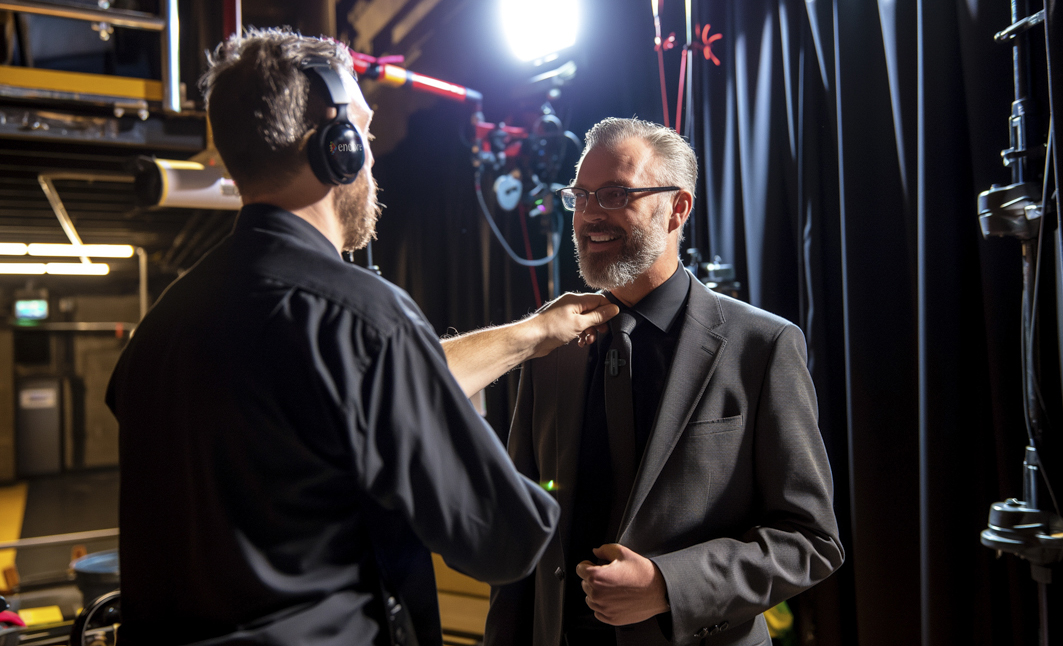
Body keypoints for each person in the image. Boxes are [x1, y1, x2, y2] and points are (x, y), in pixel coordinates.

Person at [106, 28, 617, 646]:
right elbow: (505, 538)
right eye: (365, 134)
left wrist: (532, 334)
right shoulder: (364, 319)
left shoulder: (161, 327)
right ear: (336, 147)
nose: (371, 156)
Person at [484, 118, 845, 646]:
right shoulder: (553, 343)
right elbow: (524, 528)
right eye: (581, 196)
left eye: (615, 194)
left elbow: (811, 541)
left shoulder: (762, 346)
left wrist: (667, 586)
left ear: (678, 207)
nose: (589, 215)